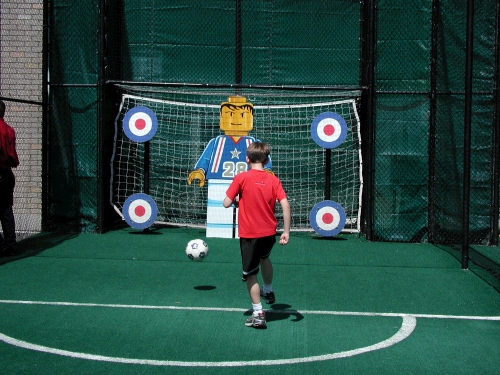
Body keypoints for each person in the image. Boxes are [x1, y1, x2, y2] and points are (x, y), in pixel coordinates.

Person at [223, 141, 291, 329]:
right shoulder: (273, 180)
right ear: (267, 159)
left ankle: (258, 313)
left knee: (251, 274)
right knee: (265, 257)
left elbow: (226, 203)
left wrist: (237, 199)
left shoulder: (241, 178)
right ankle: (268, 290)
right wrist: (286, 231)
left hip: (250, 235)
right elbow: (285, 204)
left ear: (247, 158)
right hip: (269, 232)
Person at [0, 100, 20, 256]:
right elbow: (13, 158)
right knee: (6, 210)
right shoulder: (9, 130)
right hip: (6, 173)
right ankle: (10, 244)